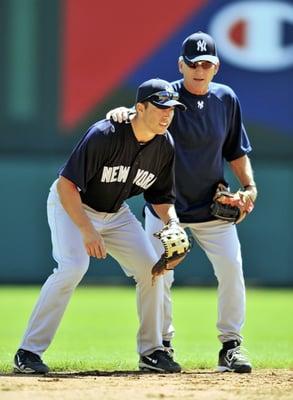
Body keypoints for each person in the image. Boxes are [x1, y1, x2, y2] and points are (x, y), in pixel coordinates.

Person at [106, 32, 258, 373]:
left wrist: (249, 186)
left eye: (206, 63)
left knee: (232, 269)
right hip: (164, 206)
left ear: (216, 66)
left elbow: (235, 150)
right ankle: (162, 347)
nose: (200, 70)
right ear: (181, 65)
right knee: (159, 276)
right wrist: (120, 113)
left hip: (211, 208)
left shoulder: (226, 99)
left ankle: (231, 346)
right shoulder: (167, 96)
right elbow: (138, 116)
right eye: (193, 64)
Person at [13, 78, 188, 374]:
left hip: (116, 213)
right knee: (72, 267)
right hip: (72, 204)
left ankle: (152, 351)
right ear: (140, 108)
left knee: (152, 271)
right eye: (160, 107)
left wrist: (173, 222)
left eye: (171, 108)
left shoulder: (164, 145)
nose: (167, 114)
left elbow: (160, 197)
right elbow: (67, 184)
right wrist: (86, 230)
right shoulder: (104, 134)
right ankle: (28, 352)